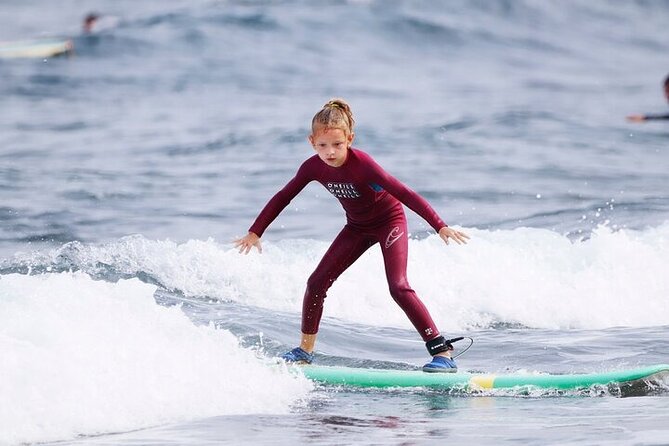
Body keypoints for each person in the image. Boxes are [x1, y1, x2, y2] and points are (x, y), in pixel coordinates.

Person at [234, 99, 470, 373]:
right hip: (356, 227)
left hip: (389, 222)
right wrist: (255, 232)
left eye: (337, 145)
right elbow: (283, 196)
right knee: (316, 282)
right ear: (312, 142)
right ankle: (305, 351)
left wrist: (439, 225)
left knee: (398, 287)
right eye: (322, 146)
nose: (330, 152)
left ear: (350, 139)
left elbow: (404, 193)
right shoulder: (312, 167)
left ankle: (442, 351)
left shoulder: (364, 165)